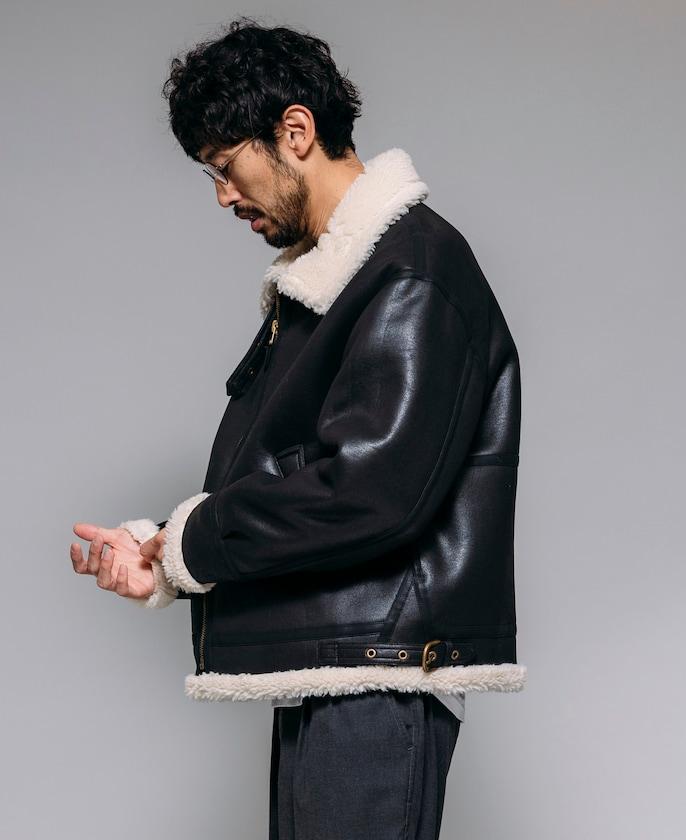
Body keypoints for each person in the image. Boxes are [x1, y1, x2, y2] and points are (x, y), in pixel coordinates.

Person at [70, 16, 526, 840]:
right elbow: (303, 470)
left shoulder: (410, 274)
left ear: (295, 131)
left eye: (226, 167)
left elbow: (366, 492)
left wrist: (191, 544)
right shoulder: (344, 279)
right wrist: (166, 552)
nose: (223, 196)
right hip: (347, 674)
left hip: (377, 685)